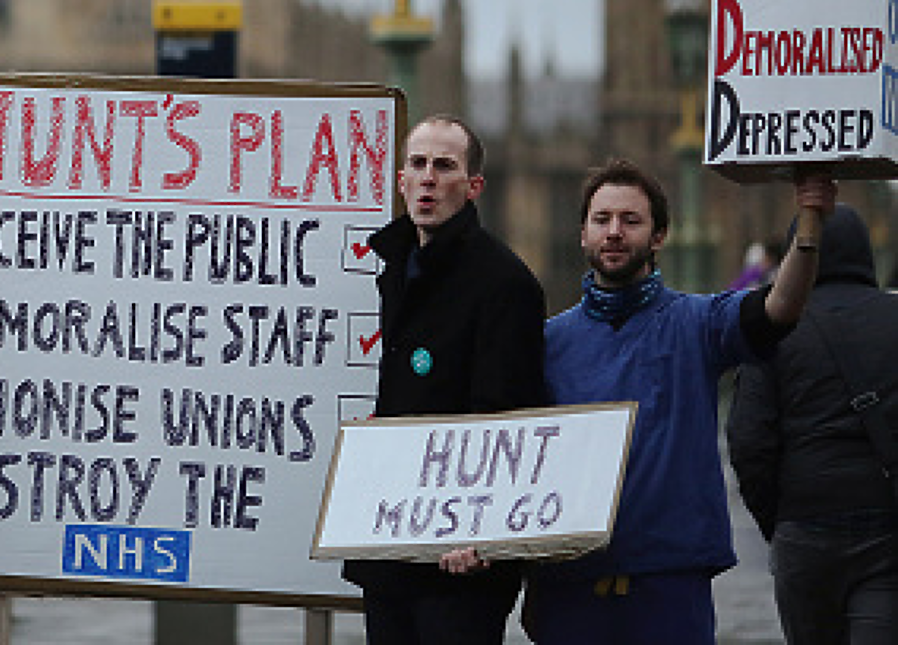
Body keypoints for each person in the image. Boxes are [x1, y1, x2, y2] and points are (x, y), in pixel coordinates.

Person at [527, 160, 829, 645]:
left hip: (668, 585)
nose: (614, 232)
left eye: (631, 220)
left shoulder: (698, 322)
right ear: (582, 233)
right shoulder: (547, 343)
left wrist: (809, 221)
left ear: (659, 235)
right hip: (570, 589)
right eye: (602, 220)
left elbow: (778, 308)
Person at [340, 114, 549, 645]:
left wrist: (482, 533)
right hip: (391, 545)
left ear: (473, 186)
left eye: (444, 166)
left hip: (460, 561)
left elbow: (508, 417)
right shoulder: (394, 268)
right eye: (417, 164)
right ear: (401, 180)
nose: (428, 177)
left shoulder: (505, 282)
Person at [728, 201, 898, 645]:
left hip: (805, 532)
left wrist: (780, 522)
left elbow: (749, 440)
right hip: (886, 527)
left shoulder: (775, 328)